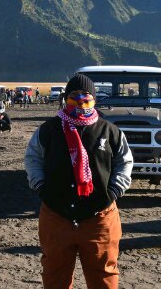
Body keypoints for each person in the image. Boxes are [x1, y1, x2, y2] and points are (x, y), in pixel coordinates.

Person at [25, 74, 133, 288]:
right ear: (65, 98)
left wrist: (112, 192)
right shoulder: (49, 130)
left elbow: (124, 163)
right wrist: (41, 188)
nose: (81, 100)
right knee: (55, 276)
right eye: (75, 95)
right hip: (56, 216)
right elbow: (33, 158)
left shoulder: (109, 131)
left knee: (104, 276)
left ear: (94, 98)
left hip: (100, 218)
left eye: (87, 95)